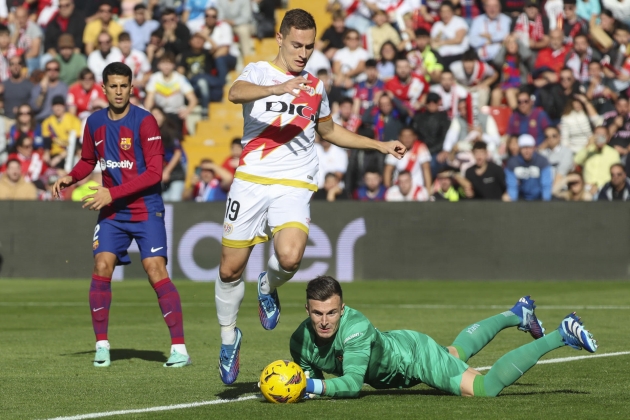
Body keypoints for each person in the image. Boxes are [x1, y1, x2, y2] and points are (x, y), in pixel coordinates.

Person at [216, 9, 406, 385]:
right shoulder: (257, 72)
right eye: (297, 45)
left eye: (310, 46)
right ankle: (229, 338)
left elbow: (331, 131)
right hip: (251, 179)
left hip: (294, 182)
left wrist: (379, 145)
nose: (303, 53)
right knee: (228, 269)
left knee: (289, 256)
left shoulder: (316, 86)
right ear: (281, 39)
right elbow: (234, 93)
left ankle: (268, 285)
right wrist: (275, 89)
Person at [51, 62, 191, 369]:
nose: (118, 91)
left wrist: (110, 193)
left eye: (123, 86)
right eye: (112, 86)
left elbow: (155, 174)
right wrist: (70, 177)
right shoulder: (94, 122)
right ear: (103, 88)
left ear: (131, 88)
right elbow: (88, 160)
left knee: (155, 268)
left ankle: (179, 348)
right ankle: (102, 345)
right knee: (102, 265)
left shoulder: (145, 121)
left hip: (145, 208)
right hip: (112, 212)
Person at [290, 276, 597, 399]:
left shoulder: (354, 326)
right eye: (317, 314)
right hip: (402, 350)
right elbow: (316, 387)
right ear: (307, 310)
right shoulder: (299, 342)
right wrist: (302, 388)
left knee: (483, 389)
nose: (325, 321)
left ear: (342, 309)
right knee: (455, 353)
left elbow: (352, 384)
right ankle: (518, 313)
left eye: (331, 313)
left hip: (412, 359)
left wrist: (306, 384)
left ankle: (562, 334)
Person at [144, 52, 198, 137]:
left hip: (176, 114)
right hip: (161, 115)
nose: (166, 66)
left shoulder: (180, 79)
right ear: (159, 65)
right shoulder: (154, 78)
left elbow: (193, 99)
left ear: (173, 65)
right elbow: (149, 99)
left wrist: (187, 111)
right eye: (164, 63)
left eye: (169, 63)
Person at [178, 32, 221, 115]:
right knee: (201, 81)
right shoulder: (185, 54)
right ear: (190, 41)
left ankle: (205, 108)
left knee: (203, 81)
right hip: (193, 84)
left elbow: (215, 47)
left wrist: (205, 35)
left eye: (200, 39)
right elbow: (180, 72)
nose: (198, 41)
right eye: (195, 39)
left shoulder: (206, 53)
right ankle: (205, 109)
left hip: (207, 81)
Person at [151, 106, 186, 202]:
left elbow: (178, 153)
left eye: (158, 114)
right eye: (153, 115)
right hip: (159, 173)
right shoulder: (148, 134)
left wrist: (167, 171)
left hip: (175, 171)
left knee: (174, 200)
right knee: (164, 201)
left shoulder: (171, 132)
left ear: (163, 116)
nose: (156, 117)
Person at [574, 126, 621, 194]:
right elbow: (576, 161)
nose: (599, 138)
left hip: (605, 187)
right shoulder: (588, 150)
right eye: (597, 135)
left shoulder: (613, 153)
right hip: (586, 187)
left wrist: (597, 185)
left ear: (608, 137)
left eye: (602, 135)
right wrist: (587, 145)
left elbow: (616, 172)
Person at [505, 134, 553, 201]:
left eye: (529, 148)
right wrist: (513, 204)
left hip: (539, 199)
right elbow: (512, 185)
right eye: (524, 148)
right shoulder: (512, 162)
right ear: (520, 149)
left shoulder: (542, 161)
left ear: (533, 148)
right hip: (521, 198)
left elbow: (546, 184)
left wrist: (545, 202)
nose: (527, 151)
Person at [41, 95, 82, 169]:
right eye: (55, 105)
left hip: (71, 152)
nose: (58, 108)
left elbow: (77, 142)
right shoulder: (47, 122)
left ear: (64, 106)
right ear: (52, 107)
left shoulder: (74, 120)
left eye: (60, 105)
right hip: (54, 153)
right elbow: (46, 141)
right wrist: (46, 154)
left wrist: (60, 157)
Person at [430, 1, 470, 68]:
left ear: (452, 11)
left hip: (458, 56)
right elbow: (432, 43)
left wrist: (441, 43)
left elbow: (458, 39)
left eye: (447, 11)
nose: (445, 14)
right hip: (441, 57)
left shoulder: (459, 21)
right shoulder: (437, 25)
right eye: (443, 12)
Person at [8, 5, 43, 74]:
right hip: (14, 59)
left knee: (27, 66)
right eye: (18, 17)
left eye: (23, 17)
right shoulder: (10, 28)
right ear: (15, 17)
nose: (20, 20)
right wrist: (16, 31)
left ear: (27, 17)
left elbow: (35, 52)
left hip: (31, 58)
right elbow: (9, 47)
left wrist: (20, 61)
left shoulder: (34, 28)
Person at [2, 56, 34, 121]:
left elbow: (34, 105)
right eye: (12, 64)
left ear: (22, 66)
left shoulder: (29, 85)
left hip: (25, 121)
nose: (15, 67)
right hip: (7, 120)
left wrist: (20, 109)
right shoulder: (3, 85)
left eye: (18, 64)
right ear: (9, 67)